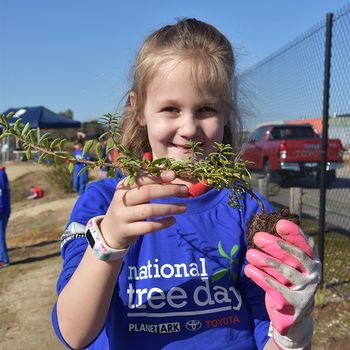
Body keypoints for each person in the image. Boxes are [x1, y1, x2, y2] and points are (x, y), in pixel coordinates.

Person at [52, 19, 320, 349]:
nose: (189, 127)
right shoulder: (103, 203)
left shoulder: (247, 209)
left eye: (206, 109)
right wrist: (109, 240)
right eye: (170, 109)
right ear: (139, 110)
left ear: (226, 112)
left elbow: (268, 331)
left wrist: (292, 332)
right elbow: (73, 333)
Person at [0, 166, 11, 269]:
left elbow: (1, 195)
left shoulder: (1, 174)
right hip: (3, 208)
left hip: (2, 210)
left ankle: (4, 260)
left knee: (0, 235)